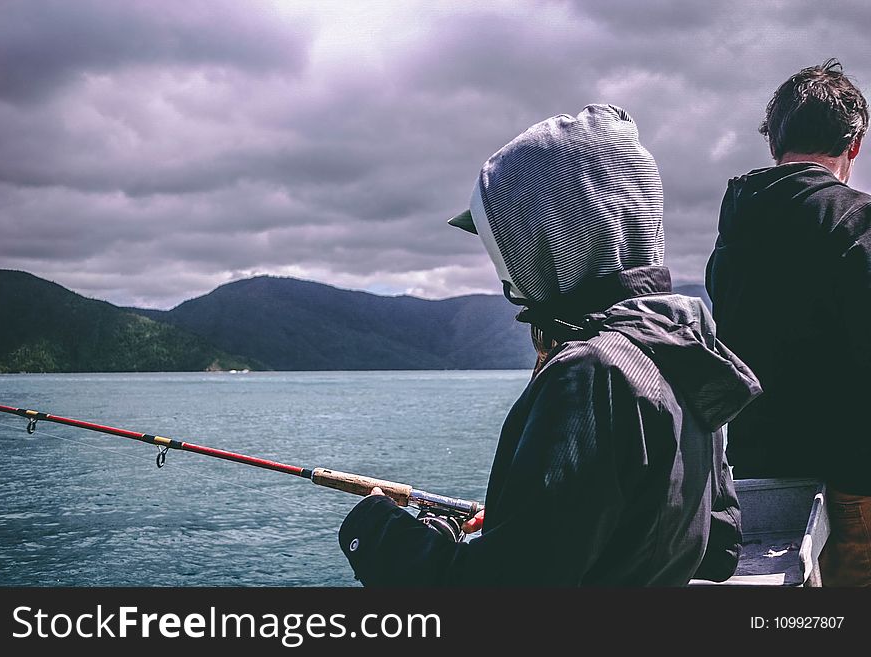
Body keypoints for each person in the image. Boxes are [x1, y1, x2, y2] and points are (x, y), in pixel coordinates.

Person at [338, 103, 761, 586]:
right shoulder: (685, 344)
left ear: (546, 234)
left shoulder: (589, 374)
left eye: (502, 238)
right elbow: (719, 547)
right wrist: (529, 525)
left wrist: (372, 529)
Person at [705, 59, 871, 586]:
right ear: (854, 145)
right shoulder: (858, 223)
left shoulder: (732, 236)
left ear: (775, 144)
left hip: (756, 478)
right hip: (852, 481)